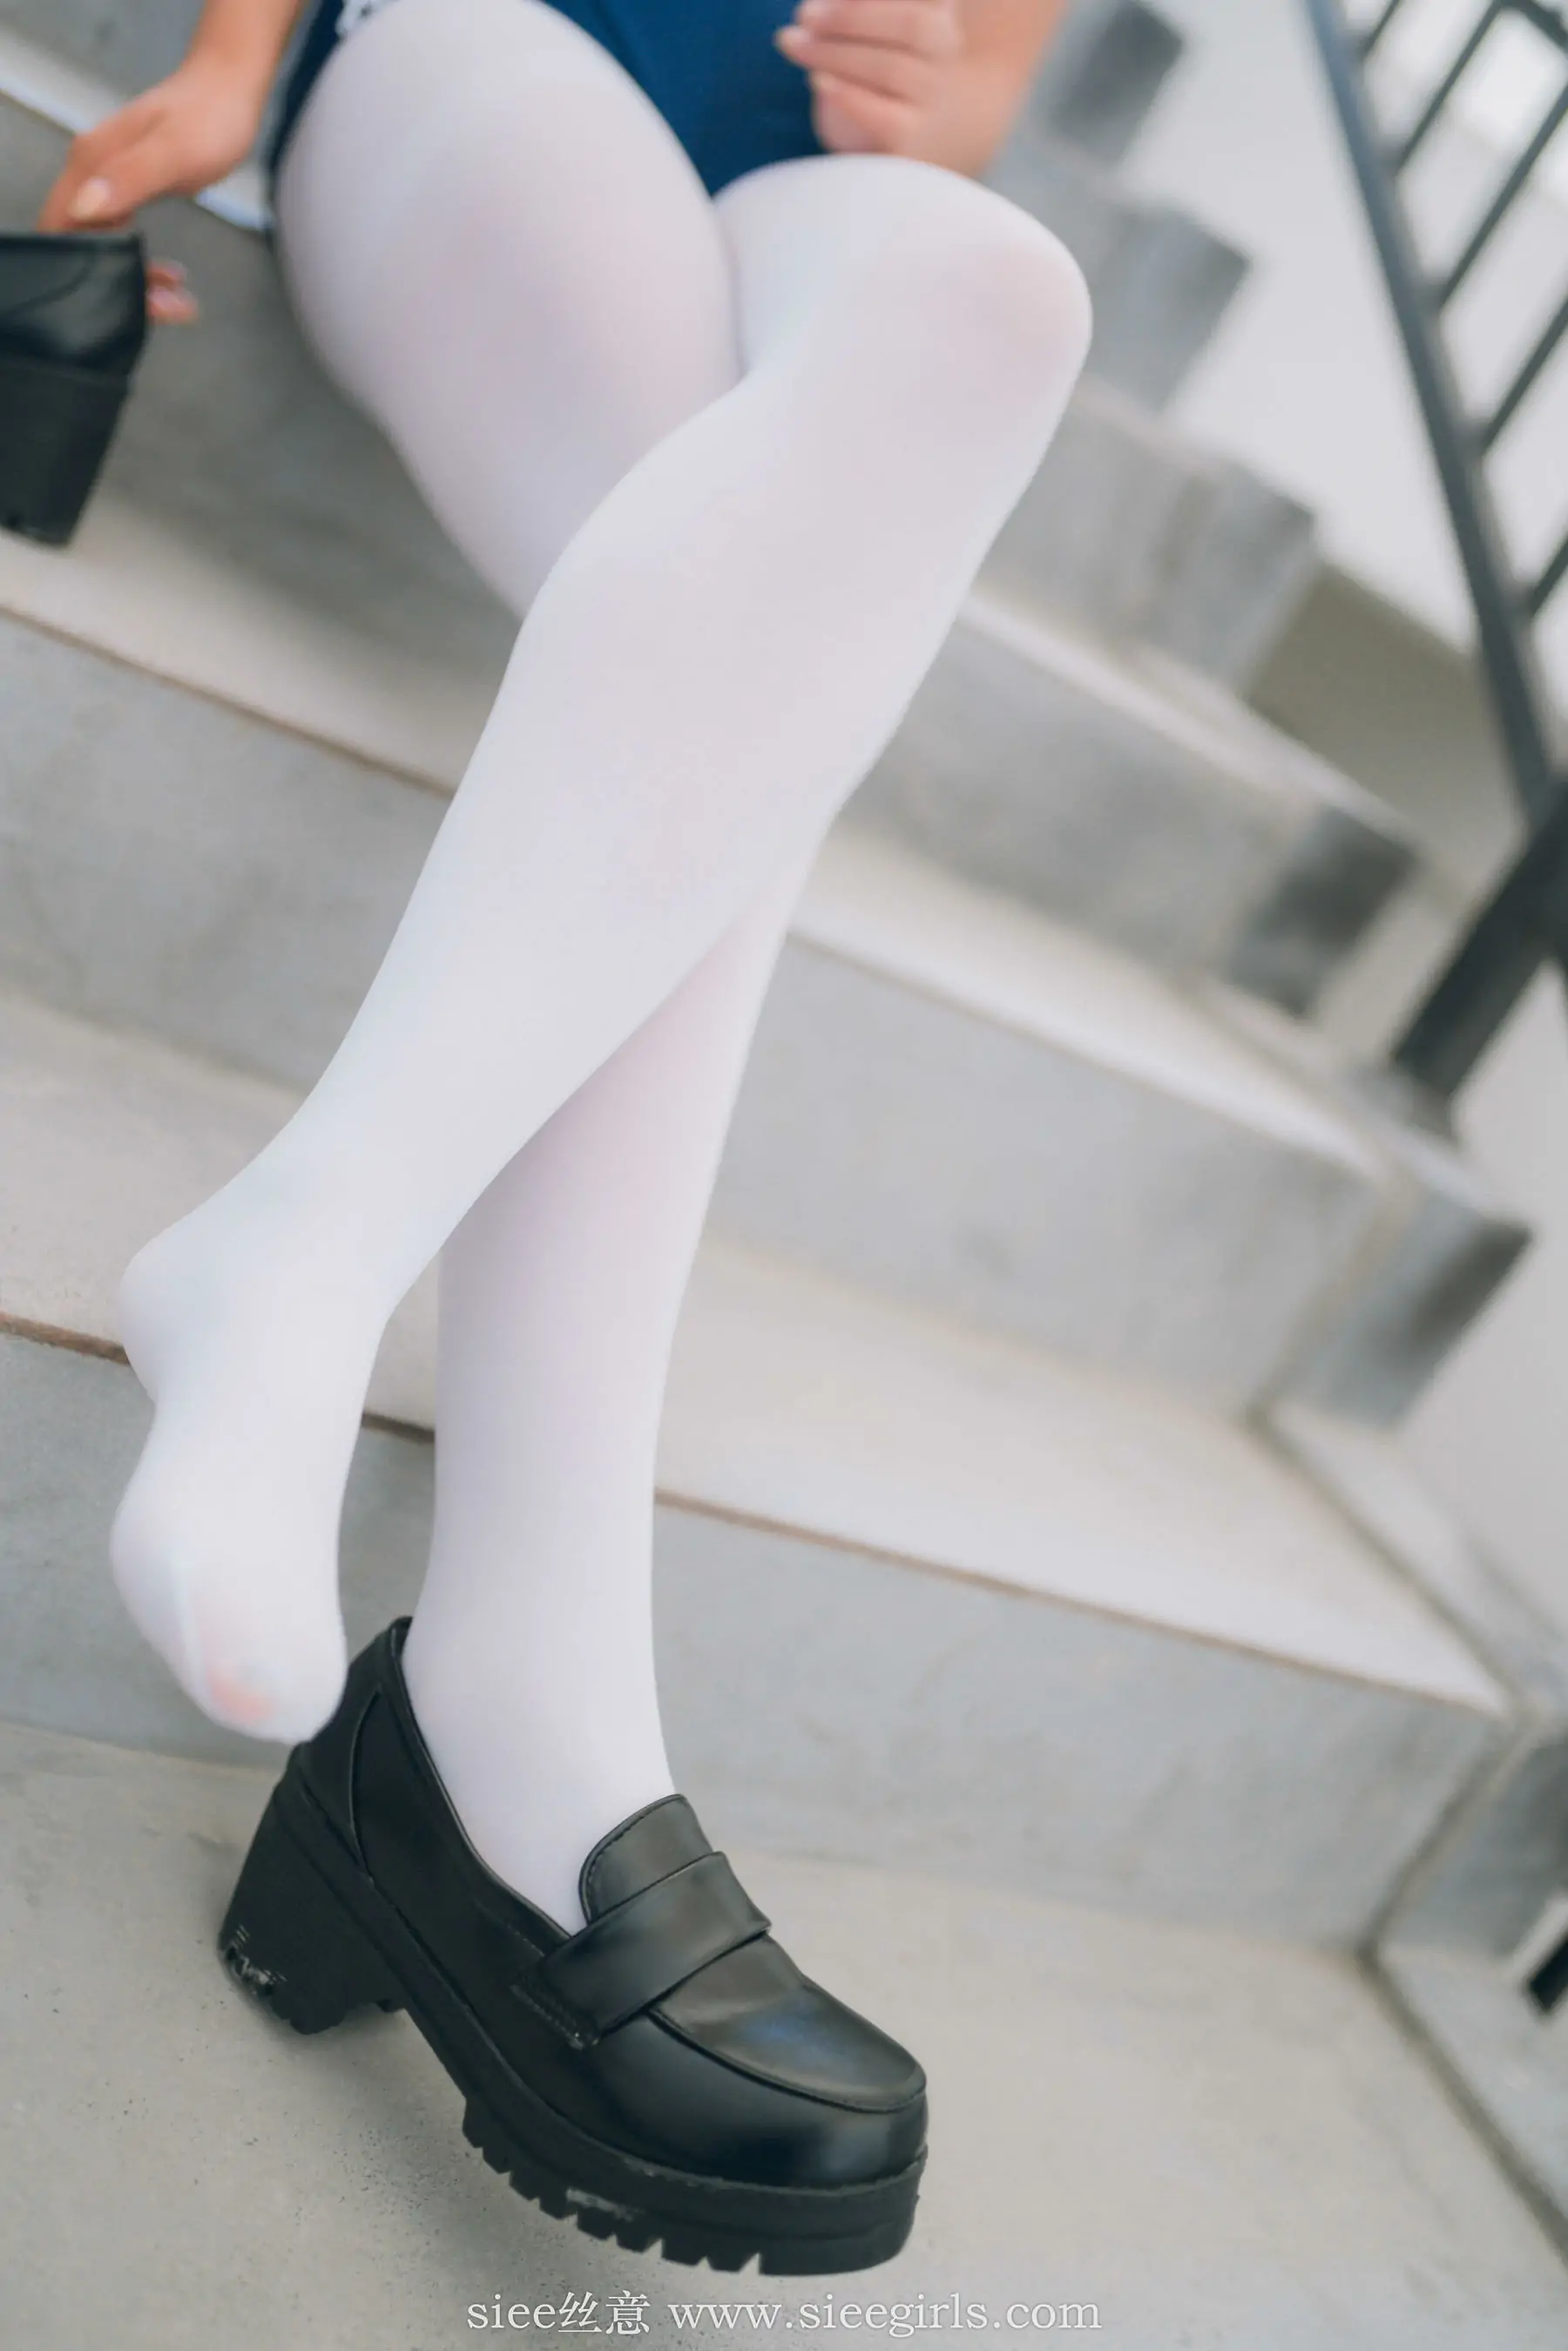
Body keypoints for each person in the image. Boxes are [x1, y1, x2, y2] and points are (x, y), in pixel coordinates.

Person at [39, 0, 1087, 2273]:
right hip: (476, 57)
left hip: (786, 184)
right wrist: (227, 64)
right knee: (732, 628)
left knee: (1007, 294)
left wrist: (946, 90)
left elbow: (986, 91)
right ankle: (523, 1696)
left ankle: (313, 1259)